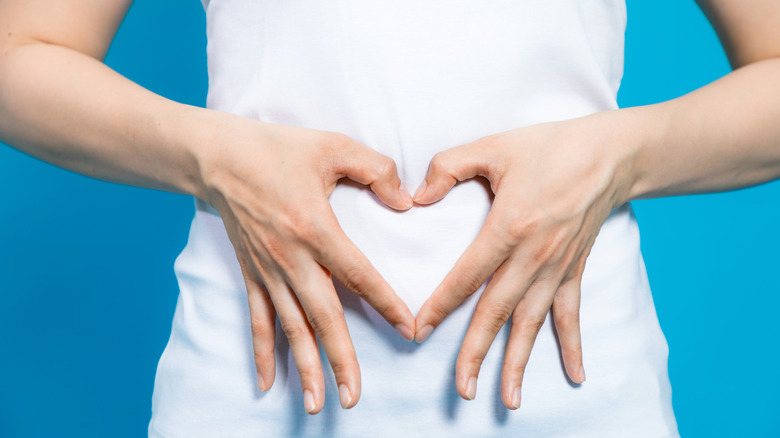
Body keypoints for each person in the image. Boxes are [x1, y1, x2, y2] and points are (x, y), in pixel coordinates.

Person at [1, 0, 778, 436]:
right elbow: (18, 52)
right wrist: (215, 156)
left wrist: (622, 155)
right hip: (253, 399)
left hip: (575, 401)